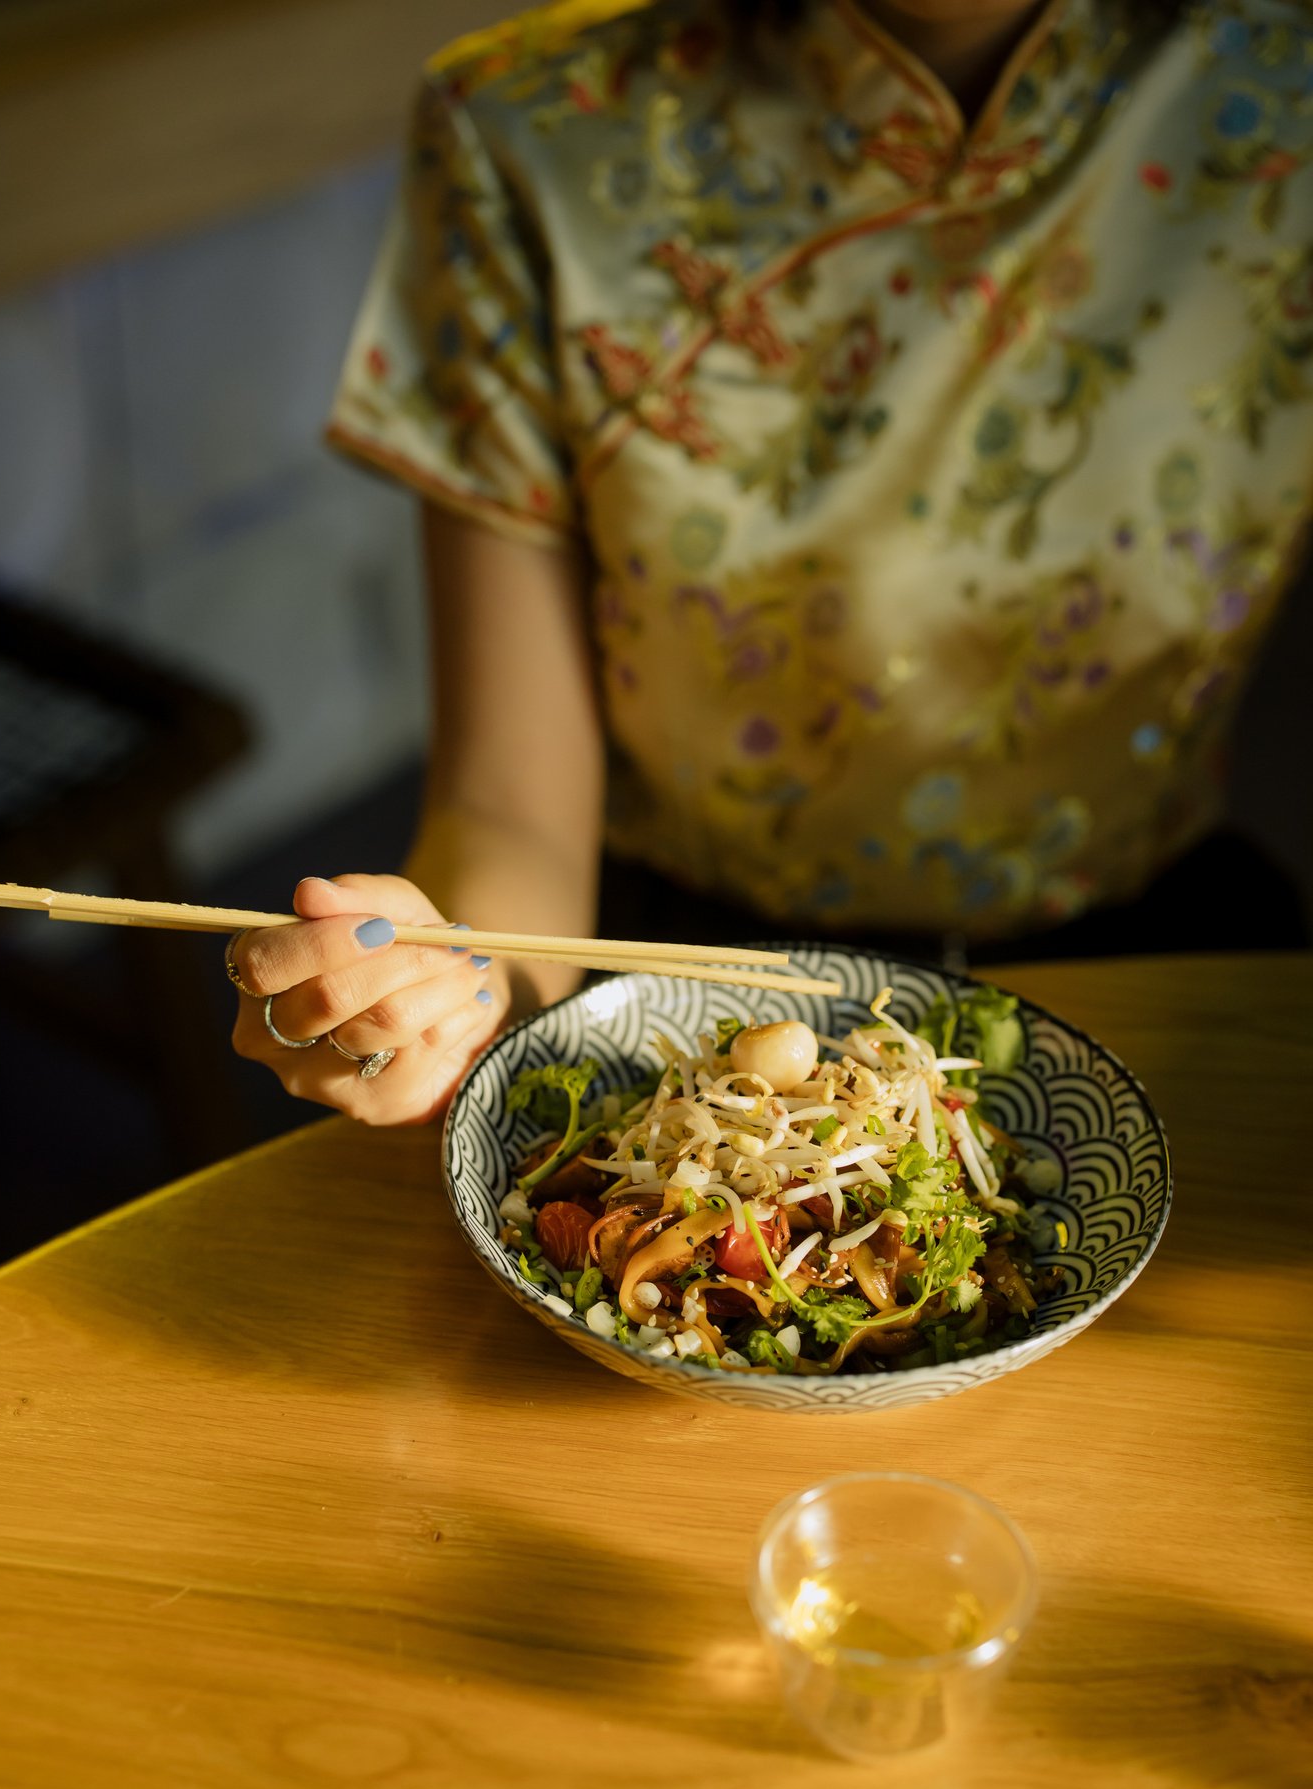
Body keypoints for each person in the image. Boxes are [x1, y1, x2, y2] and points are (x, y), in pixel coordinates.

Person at [229, 0, 1313, 1123]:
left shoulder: (1282, 80)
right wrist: (439, 996)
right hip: (686, 996)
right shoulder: (532, 123)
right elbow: (511, 812)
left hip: (1159, 961)